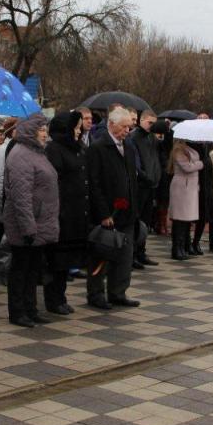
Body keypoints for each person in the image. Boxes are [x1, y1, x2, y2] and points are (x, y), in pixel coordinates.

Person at [2, 114, 59, 327]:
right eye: (41, 130)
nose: (45, 133)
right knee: (20, 269)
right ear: (29, 132)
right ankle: (18, 312)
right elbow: (21, 196)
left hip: (39, 223)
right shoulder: (20, 155)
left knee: (33, 269)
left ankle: (31, 309)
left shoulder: (37, 153)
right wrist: (28, 227)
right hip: (27, 225)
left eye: (45, 129)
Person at [85, 107, 139, 309]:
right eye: (124, 126)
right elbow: (94, 183)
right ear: (111, 124)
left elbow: (132, 179)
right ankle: (96, 294)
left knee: (125, 255)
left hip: (127, 212)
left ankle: (118, 292)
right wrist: (103, 213)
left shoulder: (129, 148)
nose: (127, 130)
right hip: (107, 214)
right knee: (102, 254)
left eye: (129, 127)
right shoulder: (98, 148)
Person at [44, 111, 89, 315]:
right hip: (61, 212)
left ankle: (61, 296)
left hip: (76, 213)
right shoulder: (54, 149)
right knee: (57, 260)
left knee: (67, 259)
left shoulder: (77, 148)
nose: (79, 131)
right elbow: (55, 182)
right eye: (77, 127)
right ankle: (53, 299)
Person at [130, 111, 161, 268]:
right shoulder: (134, 137)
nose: (152, 126)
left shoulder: (152, 137)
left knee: (146, 220)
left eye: (154, 123)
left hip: (151, 184)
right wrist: (145, 177)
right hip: (141, 185)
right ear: (141, 121)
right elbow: (136, 163)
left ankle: (141, 252)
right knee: (137, 220)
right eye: (150, 123)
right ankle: (133, 253)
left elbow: (157, 157)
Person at [0, 117, 18, 283]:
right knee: (1, 236)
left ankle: (5, 268)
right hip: (4, 201)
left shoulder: (15, 147)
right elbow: (0, 178)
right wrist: (2, 204)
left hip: (7, 201)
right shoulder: (2, 150)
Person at [168, 139, 202, 260]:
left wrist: (195, 163)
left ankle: (183, 248)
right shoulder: (178, 150)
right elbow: (187, 167)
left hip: (190, 186)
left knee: (186, 220)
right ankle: (177, 249)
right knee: (180, 219)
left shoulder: (189, 149)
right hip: (182, 186)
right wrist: (199, 164)